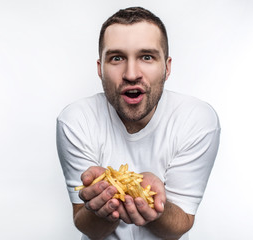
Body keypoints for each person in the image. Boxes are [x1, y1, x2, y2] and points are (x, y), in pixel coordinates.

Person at [56, 6, 220, 240]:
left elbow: (180, 225)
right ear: (100, 69)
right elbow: (89, 228)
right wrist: (104, 202)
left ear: (167, 67)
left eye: (146, 57)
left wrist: (153, 203)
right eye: (117, 58)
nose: (131, 73)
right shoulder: (75, 120)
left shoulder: (197, 120)